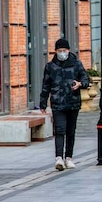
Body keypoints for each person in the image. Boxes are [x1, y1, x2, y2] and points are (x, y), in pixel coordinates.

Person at [40, 38, 89, 171]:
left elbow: (86, 79)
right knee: (59, 130)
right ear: (56, 51)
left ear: (68, 51)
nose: (62, 53)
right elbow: (46, 85)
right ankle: (59, 158)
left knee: (71, 131)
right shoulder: (51, 67)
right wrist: (43, 103)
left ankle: (69, 158)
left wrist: (80, 84)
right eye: (60, 51)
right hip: (57, 103)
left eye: (64, 50)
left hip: (73, 103)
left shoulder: (76, 64)